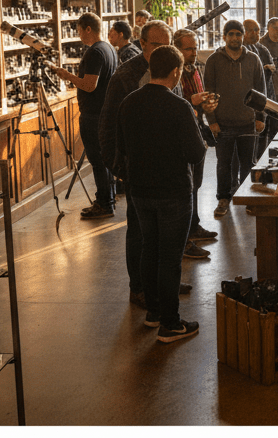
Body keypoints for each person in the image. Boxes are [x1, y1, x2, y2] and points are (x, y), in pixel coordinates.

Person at [115, 45, 204, 343]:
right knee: (170, 258)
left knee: (149, 249)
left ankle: (153, 313)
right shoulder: (179, 106)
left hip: (139, 189)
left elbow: (122, 147)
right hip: (173, 191)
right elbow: (194, 152)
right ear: (176, 72)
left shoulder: (129, 103)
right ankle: (171, 323)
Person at [100, 19, 192, 307]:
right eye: (158, 45)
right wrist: (120, 170)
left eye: (169, 45)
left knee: (164, 238)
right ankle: (140, 287)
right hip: (140, 174)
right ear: (142, 44)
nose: (165, 50)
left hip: (168, 173)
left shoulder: (169, 73)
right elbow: (108, 129)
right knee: (141, 233)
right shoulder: (126, 77)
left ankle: (164, 286)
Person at [48, 12, 117, 219]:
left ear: (88, 29)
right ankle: (108, 199)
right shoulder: (109, 49)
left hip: (93, 115)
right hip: (104, 112)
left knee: (97, 161)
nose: (78, 35)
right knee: (105, 160)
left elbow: (89, 85)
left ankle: (104, 204)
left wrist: (67, 76)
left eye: (79, 31)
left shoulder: (95, 52)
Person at [205, 20, 266, 217]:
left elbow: (261, 93)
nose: (234, 38)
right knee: (223, 164)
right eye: (230, 34)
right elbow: (209, 92)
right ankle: (223, 199)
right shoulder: (214, 60)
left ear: (243, 36)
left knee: (248, 164)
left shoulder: (254, 59)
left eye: (238, 34)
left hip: (248, 122)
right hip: (223, 124)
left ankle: (248, 198)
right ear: (224, 37)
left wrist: (260, 117)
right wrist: (212, 119)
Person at [172, 28, 219, 253]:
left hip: (196, 130)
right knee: (186, 186)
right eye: (188, 48)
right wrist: (193, 100)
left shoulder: (194, 69)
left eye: (195, 48)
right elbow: (174, 103)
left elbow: (194, 103)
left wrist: (205, 105)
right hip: (181, 136)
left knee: (196, 184)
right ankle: (186, 235)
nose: (193, 52)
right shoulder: (173, 73)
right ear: (176, 48)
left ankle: (194, 225)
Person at [243, 18, 276, 155]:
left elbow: (273, 65)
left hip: (266, 97)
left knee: (265, 136)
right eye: (253, 30)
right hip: (250, 105)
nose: (257, 34)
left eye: (258, 30)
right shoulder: (242, 50)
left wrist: (271, 67)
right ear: (244, 32)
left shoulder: (261, 48)